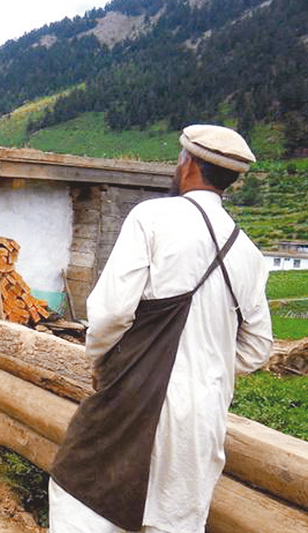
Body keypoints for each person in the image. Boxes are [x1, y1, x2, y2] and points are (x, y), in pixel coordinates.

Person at [48, 125, 273, 533]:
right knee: (173, 521)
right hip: (202, 417)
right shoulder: (249, 254)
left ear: (187, 165)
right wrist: (206, 360)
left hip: (132, 396)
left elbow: (110, 313)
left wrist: (103, 362)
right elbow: (257, 348)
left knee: (80, 498)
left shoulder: (152, 217)